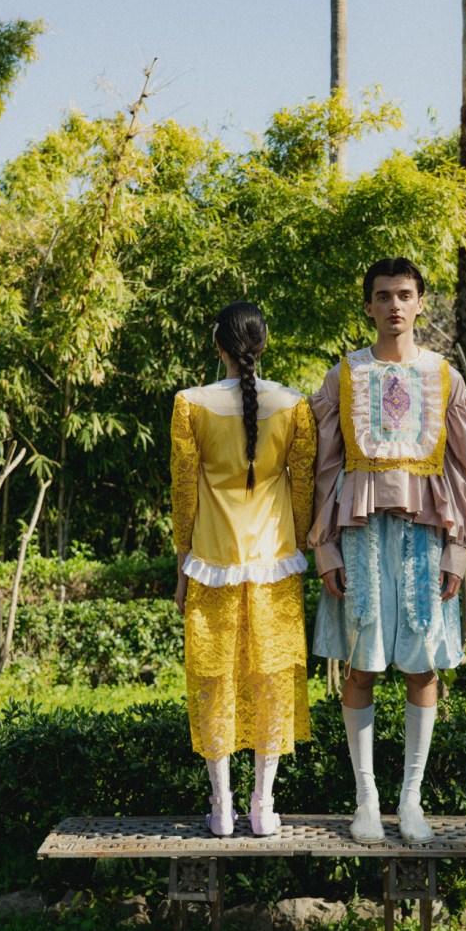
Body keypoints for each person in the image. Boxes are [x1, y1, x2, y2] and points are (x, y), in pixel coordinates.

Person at [308, 257, 466, 845]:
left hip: (426, 537)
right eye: (384, 295)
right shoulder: (343, 376)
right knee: (360, 665)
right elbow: (321, 469)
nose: (394, 305)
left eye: (405, 295)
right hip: (359, 534)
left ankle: (410, 799)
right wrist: (324, 548)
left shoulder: (444, 377)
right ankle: (365, 800)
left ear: (420, 304)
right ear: (368, 305)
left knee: (421, 665)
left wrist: (460, 549)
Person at [171, 301, 316, 837]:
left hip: (212, 564)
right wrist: (302, 542)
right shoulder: (295, 405)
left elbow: (184, 493)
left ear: (218, 345)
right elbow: (303, 490)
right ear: (265, 342)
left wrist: (182, 565)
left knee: (215, 681)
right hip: (276, 564)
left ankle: (220, 807)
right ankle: (263, 806)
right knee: (270, 681)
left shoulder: (190, 404)